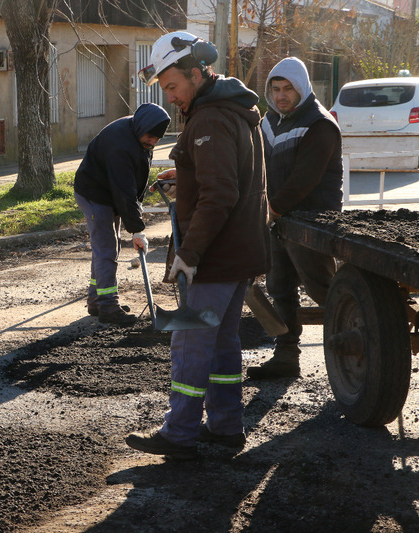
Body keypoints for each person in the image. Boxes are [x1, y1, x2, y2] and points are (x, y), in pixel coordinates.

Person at [125, 31, 270, 460]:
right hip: (239, 253)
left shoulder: (208, 119)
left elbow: (220, 194)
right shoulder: (232, 110)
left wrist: (189, 254)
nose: (170, 97)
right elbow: (228, 180)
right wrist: (183, 176)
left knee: (187, 342)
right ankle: (226, 427)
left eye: (172, 86)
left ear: (197, 72)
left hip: (214, 258)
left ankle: (180, 433)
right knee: (223, 341)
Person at [246, 57, 343, 379]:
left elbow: (306, 178)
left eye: (288, 88)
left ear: (301, 88)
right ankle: (286, 355)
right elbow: (252, 166)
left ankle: (360, 347)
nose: (281, 95)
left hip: (312, 222)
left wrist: (270, 210)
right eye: (275, 89)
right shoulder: (269, 123)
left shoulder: (320, 124)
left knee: (323, 289)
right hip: (279, 220)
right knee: (280, 287)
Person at [74, 103, 170, 325]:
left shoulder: (140, 133)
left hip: (109, 192)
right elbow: (123, 190)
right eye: (150, 138)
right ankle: (108, 306)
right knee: (106, 247)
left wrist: (136, 211)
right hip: (95, 193)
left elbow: (135, 180)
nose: (153, 142)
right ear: (142, 128)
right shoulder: (120, 144)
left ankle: (97, 301)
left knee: (106, 246)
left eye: (157, 139)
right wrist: (137, 229)